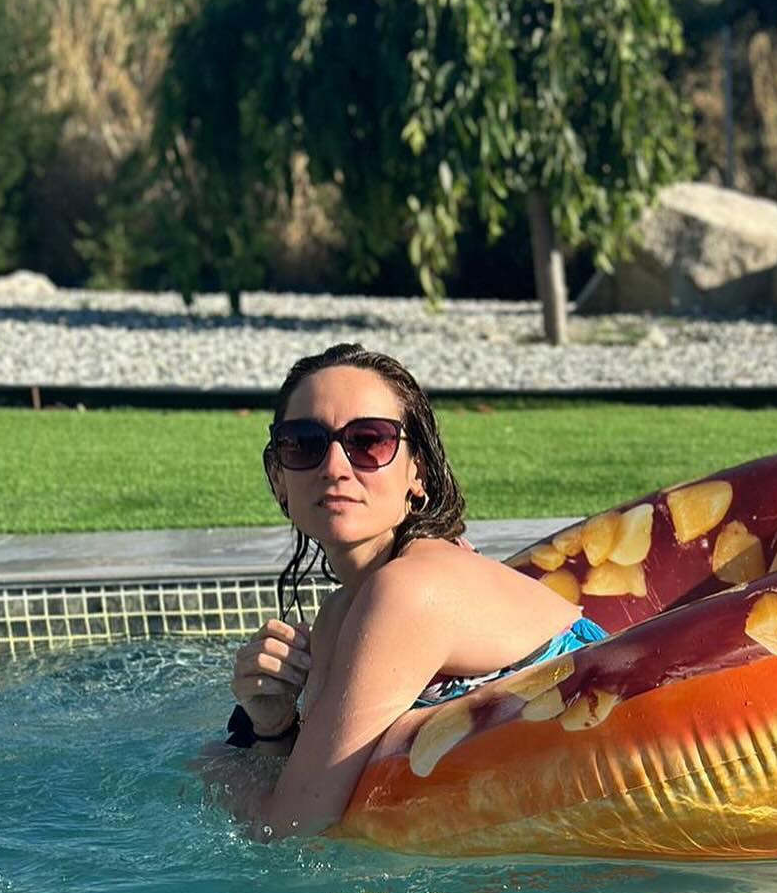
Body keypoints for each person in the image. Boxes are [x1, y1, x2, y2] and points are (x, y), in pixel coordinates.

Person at [208, 343, 607, 839]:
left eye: (368, 441)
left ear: (417, 471)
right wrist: (272, 726)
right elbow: (309, 797)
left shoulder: (408, 591)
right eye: (304, 443)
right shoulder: (340, 613)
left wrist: (211, 772)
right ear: (279, 478)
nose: (334, 467)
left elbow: (289, 827)